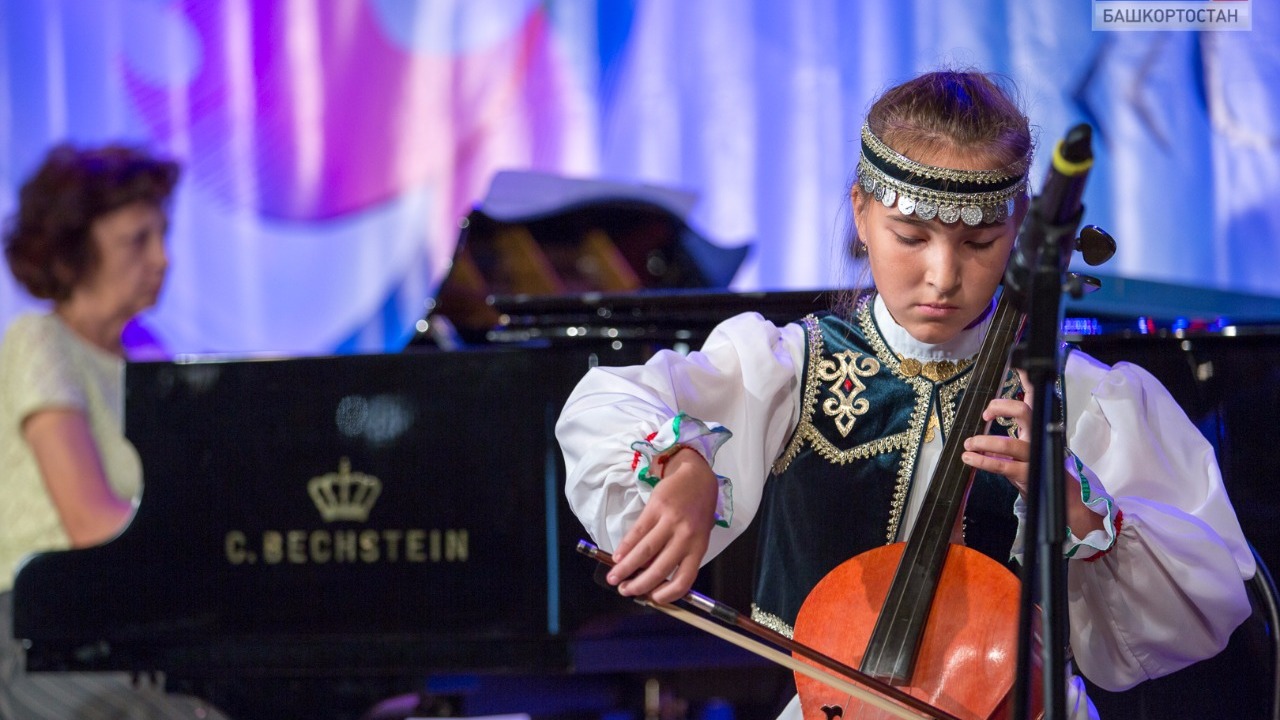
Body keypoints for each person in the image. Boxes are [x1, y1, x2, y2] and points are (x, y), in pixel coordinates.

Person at [556, 70, 1255, 720]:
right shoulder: (790, 365)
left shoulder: (1081, 396)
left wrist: (1085, 512)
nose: (943, 277)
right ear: (862, 215)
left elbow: (1203, 601)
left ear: (1018, 229)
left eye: (980, 243)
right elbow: (610, 403)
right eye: (911, 237)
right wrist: (683, 462)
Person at [0, 143, 224, 719]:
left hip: (121, 621)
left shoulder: (148, 360)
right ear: (74, 251)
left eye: (163, 236)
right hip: (33, 630)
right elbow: (89, 522)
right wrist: (217, 565)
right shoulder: (39, 339)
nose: (163, 260)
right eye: (137, 241)